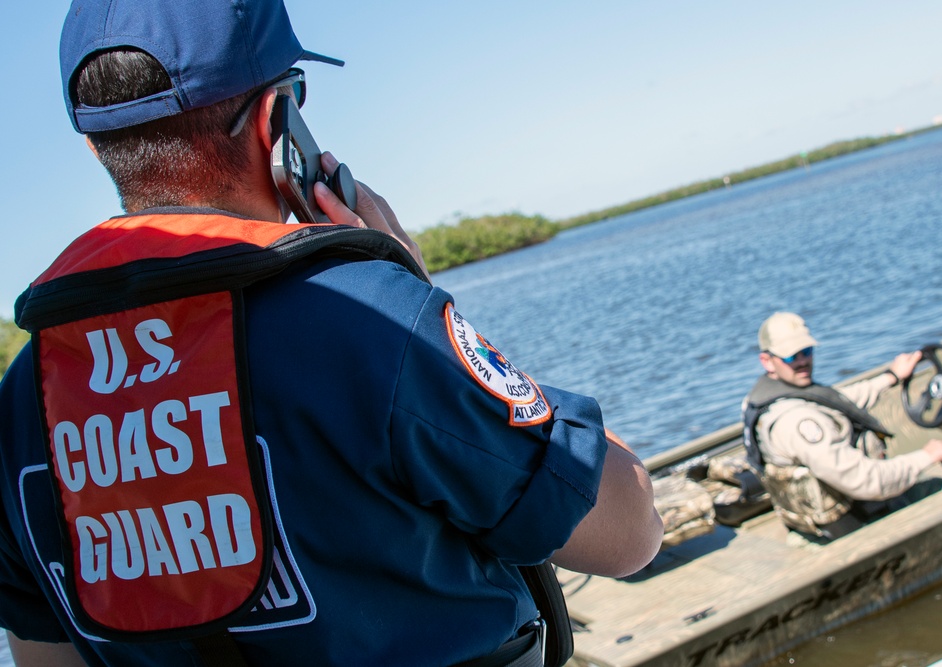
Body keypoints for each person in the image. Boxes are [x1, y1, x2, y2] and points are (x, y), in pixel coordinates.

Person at [0, 1, 663, 665]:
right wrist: (421, 300)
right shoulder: (367, 320)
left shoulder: (21, 399)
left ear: (94, 145)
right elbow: (627, 529)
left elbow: (41, 654)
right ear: (276, 120)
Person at [742, 312, 942, 545]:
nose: (803, 362)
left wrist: (890, 377)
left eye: (807, 351)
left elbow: (837, 402)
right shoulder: (798, 422)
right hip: (851, 526)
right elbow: (867, 481)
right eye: (791, 357)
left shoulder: (764, 398)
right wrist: (926, 457)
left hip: (825, 518)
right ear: (767, 361)